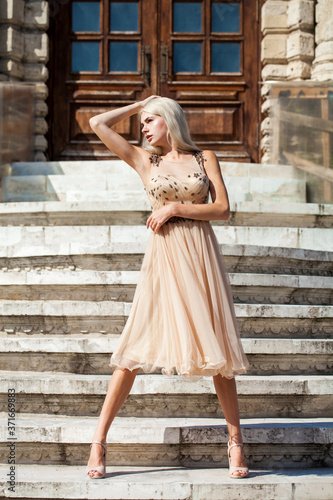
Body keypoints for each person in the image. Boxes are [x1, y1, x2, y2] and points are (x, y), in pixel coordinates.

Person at [86, 96, 249, 480]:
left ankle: (236, 442)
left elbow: (223, 209)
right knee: (133, 349)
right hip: (164, 259)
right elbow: (97, 123)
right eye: (141, 122)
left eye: (149, 120)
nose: (142, 128)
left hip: (201, 256)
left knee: (218, 350)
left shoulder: (204, 158)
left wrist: (175, 209)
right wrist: (141, 103)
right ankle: (98, 441)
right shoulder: (146, 161)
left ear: (170, 119)